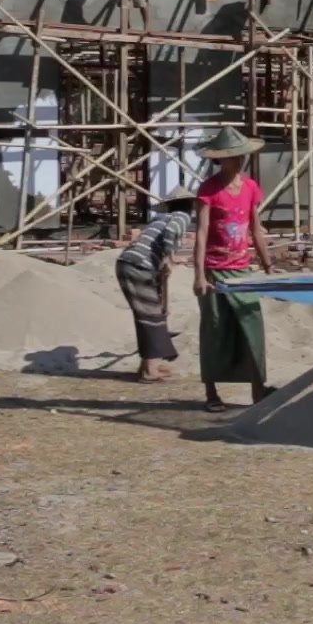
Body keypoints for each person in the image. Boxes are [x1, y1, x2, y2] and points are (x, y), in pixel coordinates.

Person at [192, 127, 278, 412]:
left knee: (252, 327)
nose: (239, 160)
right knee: (215, 329)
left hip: (242, 271)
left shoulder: (251, 187)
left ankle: (258, 389)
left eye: (241, 156)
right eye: (233, 156)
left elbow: (256, 229)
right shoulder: (208, 190)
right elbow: (201, 232)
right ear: (220, 159)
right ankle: (211, 392)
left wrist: (268, 266)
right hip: (214, 271)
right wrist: (199, 275)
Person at [115, 186, 196, 382]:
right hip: (138, 265)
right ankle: (150, 371)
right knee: (152, 316)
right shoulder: (181, 217)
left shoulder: (159, 218)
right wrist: (169, 258)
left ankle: (146, 366)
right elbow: (171, 232)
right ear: (189, 206)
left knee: (147, 315)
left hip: (128, 263)